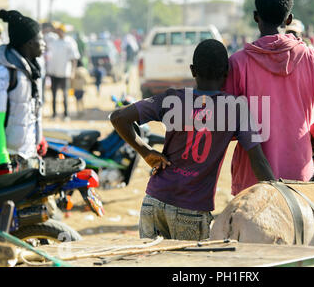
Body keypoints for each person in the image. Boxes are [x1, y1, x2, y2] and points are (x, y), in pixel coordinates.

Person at [110, 39, 275, 241]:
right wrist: (279, 196)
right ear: (226, 73)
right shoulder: (235, 108)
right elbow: (258, 160)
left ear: (192, 70)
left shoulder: (172, 98)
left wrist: (146, 152)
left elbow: (118, 118)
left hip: (153, 201)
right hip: (191, 209)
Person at [224, 0, 314, 197]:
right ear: (289, 20)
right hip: (299, 176)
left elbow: (224, 120)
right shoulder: (312, 58)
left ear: (256, 17)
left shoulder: (238, 63)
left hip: (251, 181)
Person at [0, 10, 47, 176]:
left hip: (26, 153)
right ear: (29, 43)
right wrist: (3, 160)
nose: (44, 44)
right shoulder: (3, 72)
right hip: (6, 158)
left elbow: (31, 111)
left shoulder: (32, 70)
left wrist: (39, 138)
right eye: (40, 39)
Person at [46, 22, 80, 120]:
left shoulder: (70, 42)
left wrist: (73, 71)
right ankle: (54, 114)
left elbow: (74, 58)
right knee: (53, 94)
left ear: (63, 31)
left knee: (65, 94)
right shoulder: (54, 41)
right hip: (54, 72)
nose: (58, 32)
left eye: (60, 31)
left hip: (65, 72)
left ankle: (66, 115)